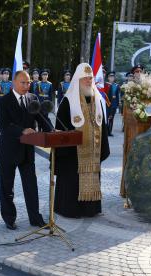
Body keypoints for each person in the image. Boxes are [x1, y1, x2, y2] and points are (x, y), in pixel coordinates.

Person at [0, 70, 52, 230]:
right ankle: (9, 218)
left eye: (29, 83)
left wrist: (53, 131)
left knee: (31, 186)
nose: (27, 86)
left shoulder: (33, 99)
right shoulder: (3, 101)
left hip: (27, 151)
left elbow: (43, 119)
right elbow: (6, 126)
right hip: (8, 150)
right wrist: (23, 130)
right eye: (23, 83)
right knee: (7, 187)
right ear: (14, 82)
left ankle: (35, 218)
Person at [54, 63, 110, 218]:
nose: (88, 80)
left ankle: (90, 209)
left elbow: (102, 126)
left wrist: (103, 147)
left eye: (90, 78)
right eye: (84, 78)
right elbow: (60, 128)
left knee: (92, 175)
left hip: (93, 151)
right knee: (72, 181)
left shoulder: (97, 100)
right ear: (77, 79)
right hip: (73, 154)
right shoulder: (68, 101)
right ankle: (71, 209)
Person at [0, 68, 12, 133]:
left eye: (7, 74)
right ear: (2, 75)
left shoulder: (11, 83)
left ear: (9, 75)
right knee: (1, 117)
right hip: (1, 101)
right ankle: (1, 130)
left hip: (9, 102)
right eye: (4, 74)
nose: (5, 75)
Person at [105, 71, 120, 137]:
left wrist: (117, 104)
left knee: (111, 118)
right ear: (108, 78)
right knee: (106, 117)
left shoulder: (116, 85)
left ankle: (110, 131)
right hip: (107, 103)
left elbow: (117, 95)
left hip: (113, 103)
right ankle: (105, 131)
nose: (112, 78)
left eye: (113, 77)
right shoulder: (105, 84)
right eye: (110, 77)